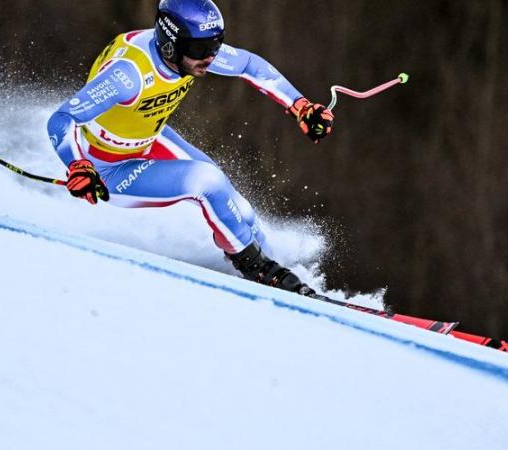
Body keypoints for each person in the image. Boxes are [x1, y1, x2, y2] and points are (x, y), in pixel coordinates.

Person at [47, 0, 334, 296]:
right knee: (206, 183)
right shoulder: (128, 75)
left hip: (149, 139)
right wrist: (78, 165)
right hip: (108, 168)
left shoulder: (190, 50)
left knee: (239, 210)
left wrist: (300, 105)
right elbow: (62, 118)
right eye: (200, 50)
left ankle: (285, 277)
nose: (210, 57)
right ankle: (260, 271)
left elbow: (249, 64)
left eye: (215, 45)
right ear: (170, 45)